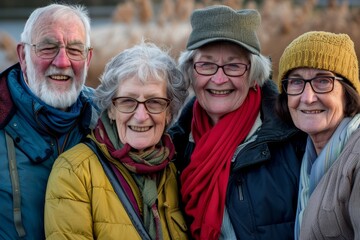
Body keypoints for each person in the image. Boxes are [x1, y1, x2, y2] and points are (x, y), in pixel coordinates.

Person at [168, 5, 306, 240]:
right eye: (207, 64)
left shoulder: (293, 136)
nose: (219, 79)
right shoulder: (174, 145)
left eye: (233, 65)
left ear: (253, 75)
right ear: (191, 72)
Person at [44, 42, 190, 239]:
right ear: (111, 109)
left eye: (154, 102)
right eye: (128, 101)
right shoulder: (74, 172)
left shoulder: (174, 170)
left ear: (169, 112)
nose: (140, 116)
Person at [0, 3, 98, 239]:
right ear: (23, 55)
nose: (63, 62)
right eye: (48, 47)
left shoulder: (107, 118)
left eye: (75, 49)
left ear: (88, 58)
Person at [276, 31, 360, 239]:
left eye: (323, 81)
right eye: (296, 82)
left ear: (347, 93)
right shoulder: (305, 157)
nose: (308, 97)